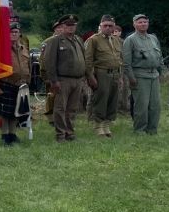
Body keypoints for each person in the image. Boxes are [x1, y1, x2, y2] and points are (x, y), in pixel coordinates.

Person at [42, 14, 85, 143]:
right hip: (62, 80)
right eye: (68, 25)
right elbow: (49, 62)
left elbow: (84, 58)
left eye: (73, 25)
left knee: (72, 108)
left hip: (77, 79)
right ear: (62, 26)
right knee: (60, 108)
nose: (71, 27)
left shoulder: (78, 40)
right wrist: (54, 81)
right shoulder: (55, 41)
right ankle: (60, 135)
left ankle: (70, 133)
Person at [0, 22, 31, 146]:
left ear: (19, 34)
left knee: (16, 112)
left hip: (21, 85)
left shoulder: (24, 48)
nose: (14, 34)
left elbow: (28, 66)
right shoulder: (1, 48)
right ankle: (5, 136)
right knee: (5, 113)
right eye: (11, 32)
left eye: (16, 32)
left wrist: (28, 81)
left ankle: (12, 134)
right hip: (5, 83)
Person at [123, 14, 164, 134]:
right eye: (140, 22)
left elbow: (159, 56)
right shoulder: (130, 40)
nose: (143, 24)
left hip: (154, 75)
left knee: (155, 105)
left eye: (145, 22)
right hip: (140, 76)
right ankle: (140, 130)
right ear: (134, 24)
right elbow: (126, 62)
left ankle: (152, 129)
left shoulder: (153, 38)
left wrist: (160, 72)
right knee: (141, 105)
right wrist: (131, 78)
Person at [84, 15, 124, 138]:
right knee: (101, 99)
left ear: (114, 27)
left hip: (116, 73)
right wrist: (90, 77)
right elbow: (88, 60)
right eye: (105, 25)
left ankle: (107, 124)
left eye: (110, 26)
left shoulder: (117, 40)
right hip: (101, 73)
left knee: (113, 100)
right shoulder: (93, 40)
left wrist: (121, 77)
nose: (107, 28)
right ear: (101, 26)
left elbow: (120, 59)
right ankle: (98, 125)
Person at [39, 20, 65, 125]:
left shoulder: (65, 41)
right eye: (58, 28)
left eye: (62, 28)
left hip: (63, 75)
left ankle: (60, 117)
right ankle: (51, 118)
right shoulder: (48, 42)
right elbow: (43, 60)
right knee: (51, 96)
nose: (61, 30)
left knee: (61, 97)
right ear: (54, 30)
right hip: (51, 74)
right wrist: (46, 76)